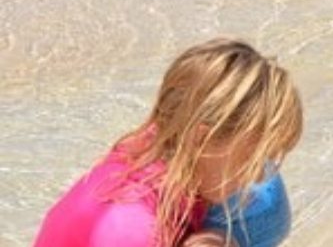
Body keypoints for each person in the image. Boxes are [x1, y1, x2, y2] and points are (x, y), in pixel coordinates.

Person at [35, 38, 304, 247]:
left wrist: (216, 238)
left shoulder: (160, 144)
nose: (257, 175)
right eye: (250, 159)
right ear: (201, 137)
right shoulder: (133, 229)